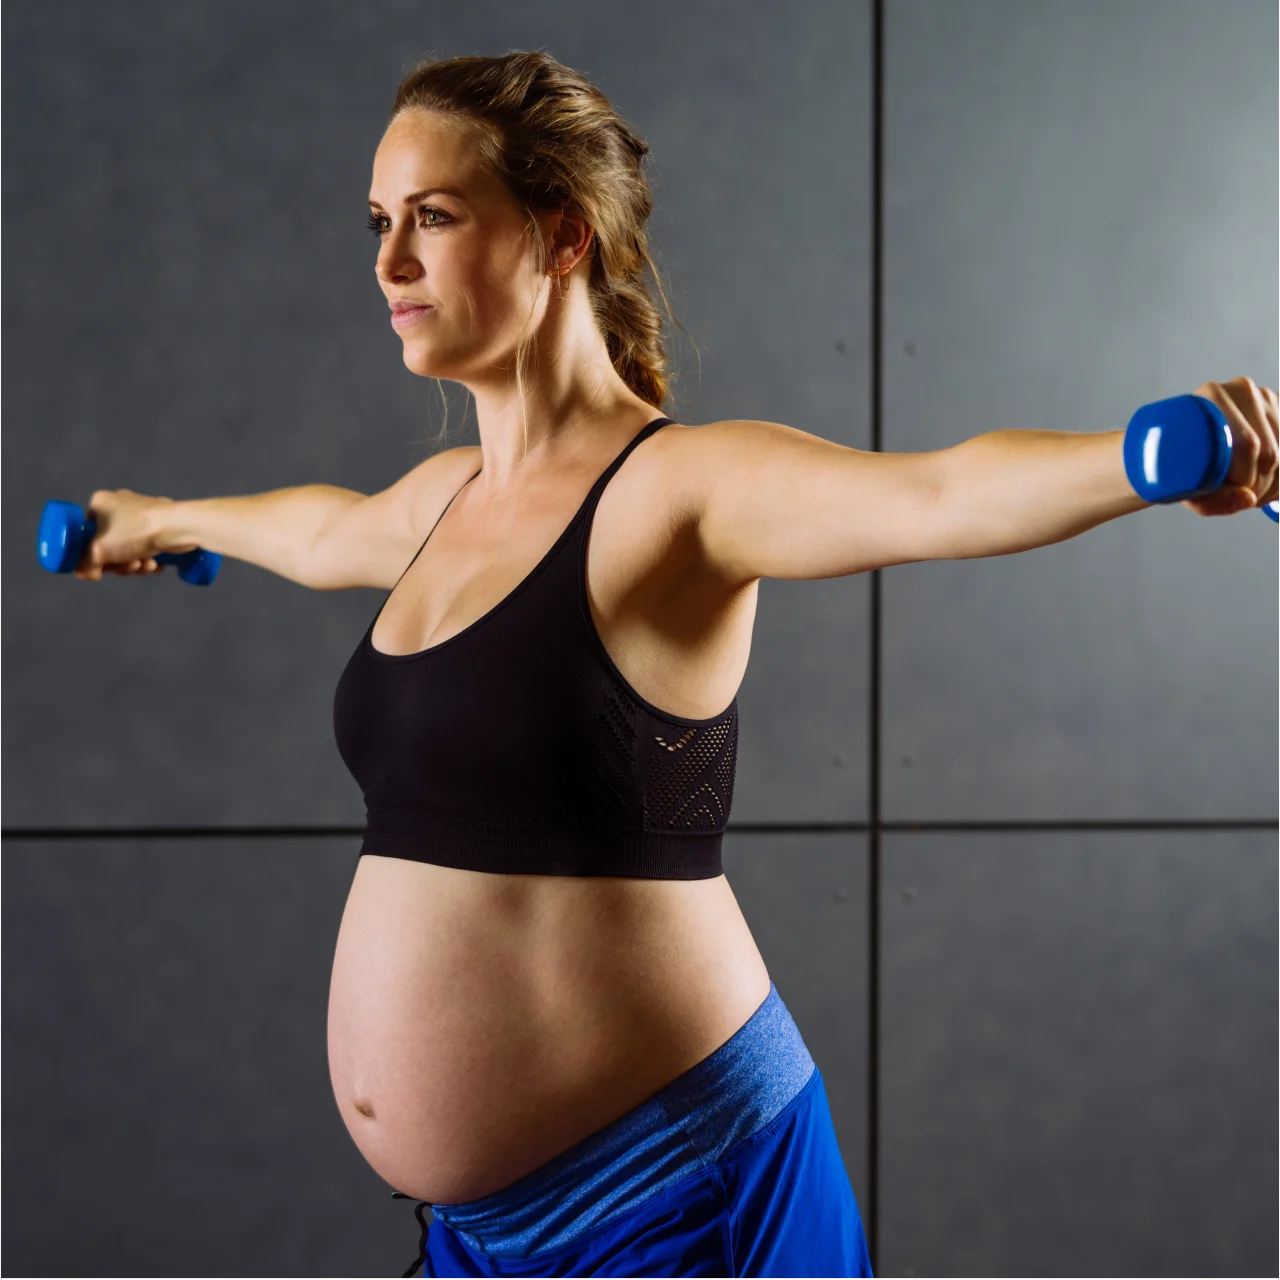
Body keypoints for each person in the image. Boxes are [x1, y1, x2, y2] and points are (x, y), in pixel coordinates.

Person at [75, 49, 1279, 1280]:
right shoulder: (441, 501)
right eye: (380, 223)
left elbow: (932, 493)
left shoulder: (673, 492)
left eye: (432, 219)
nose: (387, 264)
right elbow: (318, 530)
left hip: (672, 1204)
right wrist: (161, 520)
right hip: (480, 1241)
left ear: (560, 237)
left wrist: (1149, 458)